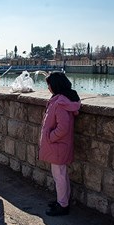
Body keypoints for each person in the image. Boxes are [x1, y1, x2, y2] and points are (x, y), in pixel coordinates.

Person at [38, 72, 81, 216]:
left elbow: (63, 127)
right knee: (61, 175)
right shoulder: (62, 100)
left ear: (55, 85)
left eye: (49, 85)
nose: (48, 88)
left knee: (59, 176)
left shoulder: (60, 103)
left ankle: (63, 205)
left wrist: (50, 137)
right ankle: (63, 200)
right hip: (59, 145)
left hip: (57, 145)